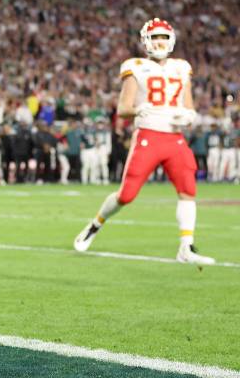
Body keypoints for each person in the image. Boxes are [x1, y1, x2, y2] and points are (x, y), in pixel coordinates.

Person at [74, 18, 214, 265]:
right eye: (155, 37)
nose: (160, 41)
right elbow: (123, 108)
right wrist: (139, 109)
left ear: (171, 40)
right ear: (146, 41)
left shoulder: (182, 67)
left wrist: (189, 115)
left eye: (163, 37)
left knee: (188, 191)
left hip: (174, 138)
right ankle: (95, 225)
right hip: (148, 136)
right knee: (126, 196)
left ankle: (186, 246)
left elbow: (189, 106)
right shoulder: (136, 66)